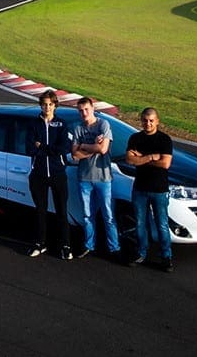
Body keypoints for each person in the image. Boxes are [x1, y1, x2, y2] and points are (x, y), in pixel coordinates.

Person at [126, 107, 174, 272]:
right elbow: (130, 160)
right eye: (145, 120)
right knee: (140, 223)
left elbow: (165, 164)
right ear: (141, 121)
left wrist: (141, 158)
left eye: (151, 120)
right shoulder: (135, 138)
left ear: (157, 121)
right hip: (140, 188)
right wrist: (152, 157)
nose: (148, 123)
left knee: (162, 224)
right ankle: (141, 253)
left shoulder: (164, 140)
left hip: (159, 189)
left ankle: (166, 257)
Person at [70, 97, 119, 259]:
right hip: (84, 178)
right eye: (80, 110)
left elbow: (104, 149)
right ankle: (89, 245)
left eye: (86, 109)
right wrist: (94, 147)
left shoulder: (103, 124)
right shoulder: (78, 129)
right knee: (87, 214)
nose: (84, 113)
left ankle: (114, 248)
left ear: (92, 109)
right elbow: (75, 155)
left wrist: (83, 145)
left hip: (103, 178)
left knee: (108, 215)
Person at [27, 90, 73, 260]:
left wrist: (42, 147)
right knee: (40, 211)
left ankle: (66, 246)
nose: (47, 107)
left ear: (55, 105)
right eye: (44, 104)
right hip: (38, 175)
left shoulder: (62, 124)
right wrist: (45, 149)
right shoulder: (34, 124)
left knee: (62, 211)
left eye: (50, 104)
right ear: (40, 105)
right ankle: (40, 243)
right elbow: (29, 148)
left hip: (58, 174)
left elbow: (63, 148)